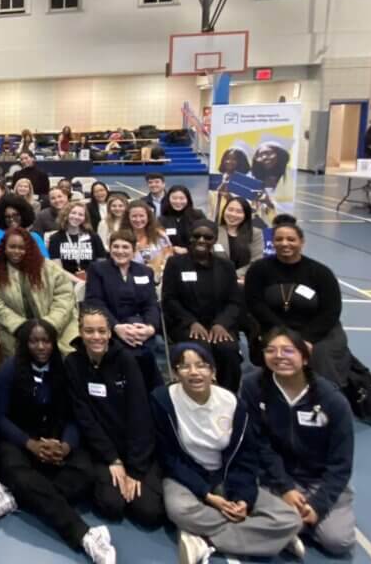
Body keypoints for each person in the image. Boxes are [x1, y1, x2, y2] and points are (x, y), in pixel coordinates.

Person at [152, 343, 303, 564]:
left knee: (290, 519)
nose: (194, 372)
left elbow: (245, 457)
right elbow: (169, 458)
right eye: (184, 367)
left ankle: (205, 541)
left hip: (225, 475)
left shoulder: (232, 403)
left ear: (213, 372)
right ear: (175, 373)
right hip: (185, 476)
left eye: (202, 365)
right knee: (179, 510)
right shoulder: (162, 401)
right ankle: (271, 537)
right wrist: (208, 495)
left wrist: (243, 499)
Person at [0, 321, 115, 564]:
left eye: (46, 341)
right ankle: (85, 535)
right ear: (24, 344)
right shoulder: (10, 370)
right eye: (34, 341)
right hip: (20, 440)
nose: (41, 346)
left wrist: (65, 445)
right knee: (16, 471)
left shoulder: (65, 369)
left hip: (56, 440)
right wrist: (30, 444)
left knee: (85, 474)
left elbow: (75, 416)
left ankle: (13, 496)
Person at [241, 327, 355, 556]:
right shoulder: (253, 387)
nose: (279, 356)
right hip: (275, 477)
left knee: (338, 541)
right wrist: (285, 488)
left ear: (304, 357)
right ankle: (291, 523)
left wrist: (319, 505)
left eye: (288, 350)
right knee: (253, 507)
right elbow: (259, 444)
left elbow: (341, 463)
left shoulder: (331, 400)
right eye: (271, 350)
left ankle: (290, 526)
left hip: (319, 480)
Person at [65, 306, 164, 528]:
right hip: (101, 450)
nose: (96, 337)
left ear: (110, 333)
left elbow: (141, 415)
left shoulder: (127, 361)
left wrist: (136, 469)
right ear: (80, 332)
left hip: (136, 449)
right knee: (112, 506)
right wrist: (112, 459)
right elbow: (85, 417)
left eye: (101, 331)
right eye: (89, 331)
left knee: (149, 513)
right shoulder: (73, 364)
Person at [243, 214, 350, 387]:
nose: (285, 243)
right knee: (279, 351)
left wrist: (306, 339)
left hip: (319, 331)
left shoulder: (321, 273)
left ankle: (325, 398)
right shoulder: (258, 270)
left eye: (291, 239)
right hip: (274, 327)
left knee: (321, 356)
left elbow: (331, 311)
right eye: (279, 239)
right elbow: (256, 305)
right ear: (273, 243)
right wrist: (285, 336)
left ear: (301, 242)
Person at [162, 220, 244, 391]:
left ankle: (228, 395)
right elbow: (169, 300)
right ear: (189, 238)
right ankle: (200, 393)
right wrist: (191, 322)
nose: (201, 240)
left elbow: (234, 302)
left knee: (227, 350)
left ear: (214, 240)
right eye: (196, 236)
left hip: (220, 325)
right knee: (200, 351)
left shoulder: (226, 266)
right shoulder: (175, 264)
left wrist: (221, 324)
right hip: (185, 325)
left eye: (207, 237)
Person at [84, 231, 162, 390]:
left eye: (125, 247)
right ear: (110, 249)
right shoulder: (98, 269)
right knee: (131, 354)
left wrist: (150, 328)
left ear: (134, 250)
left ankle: (153, 398)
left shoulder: (145, 271)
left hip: (140, 327)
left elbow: (151, 304)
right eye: (116, 246)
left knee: (156, 347)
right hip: (110, 327)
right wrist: (116, 327)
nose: (120, 251)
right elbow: (95, 302)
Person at [0, 228, 78, 357]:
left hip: (59, 326)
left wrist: (48, 325)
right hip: (17, 332)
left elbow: (65, 297)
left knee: (69, 359)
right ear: (4, 248)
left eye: (21, 247)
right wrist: (25, 329)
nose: (16, 251)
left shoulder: (50, 268)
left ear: (29, 248)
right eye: (12, 247)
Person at [48, 202, 106, 286]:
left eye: (80, 214)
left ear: (84, 218)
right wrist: (79, 282)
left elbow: (101, 263)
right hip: (66, 283)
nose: (76, 217)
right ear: (66, 215)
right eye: (73, 213)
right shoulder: (55, 238)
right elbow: (58, 269)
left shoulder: (93, 236)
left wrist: (91, 280)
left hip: (93, 281)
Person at [0, 193, 48, 263]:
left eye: (16, 215)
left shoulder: (34, 237)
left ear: (23, 215)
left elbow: (45, 262)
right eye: (7, 217)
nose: (11, 219)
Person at [216, 196, 264, 281]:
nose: (233, 214)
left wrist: (234, 275)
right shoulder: (214, 230)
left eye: (239, 212)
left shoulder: (255, 233)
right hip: (217, 279)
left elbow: (256, 261)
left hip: (242, 281)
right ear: (224, 211)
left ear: (246, 215)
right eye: (230, 210)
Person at [124, 199, 172, 277]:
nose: (138, 219)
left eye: (141, 216)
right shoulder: (121, 236)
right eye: (134, 216)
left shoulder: (160, 235)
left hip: (157, 279)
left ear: (148, 217)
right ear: (128, 218)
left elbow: (169, 257)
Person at [159, 186, 205, 254]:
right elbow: (159, 242)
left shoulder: (197, 215)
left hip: (195, 256)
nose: (178, 201)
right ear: (168, 199)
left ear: (188, 199)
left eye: (182, 198)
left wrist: (188, 250)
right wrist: (171, 249)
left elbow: (207, 238)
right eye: (174, 198)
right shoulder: (162, 219)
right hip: (171, 258)